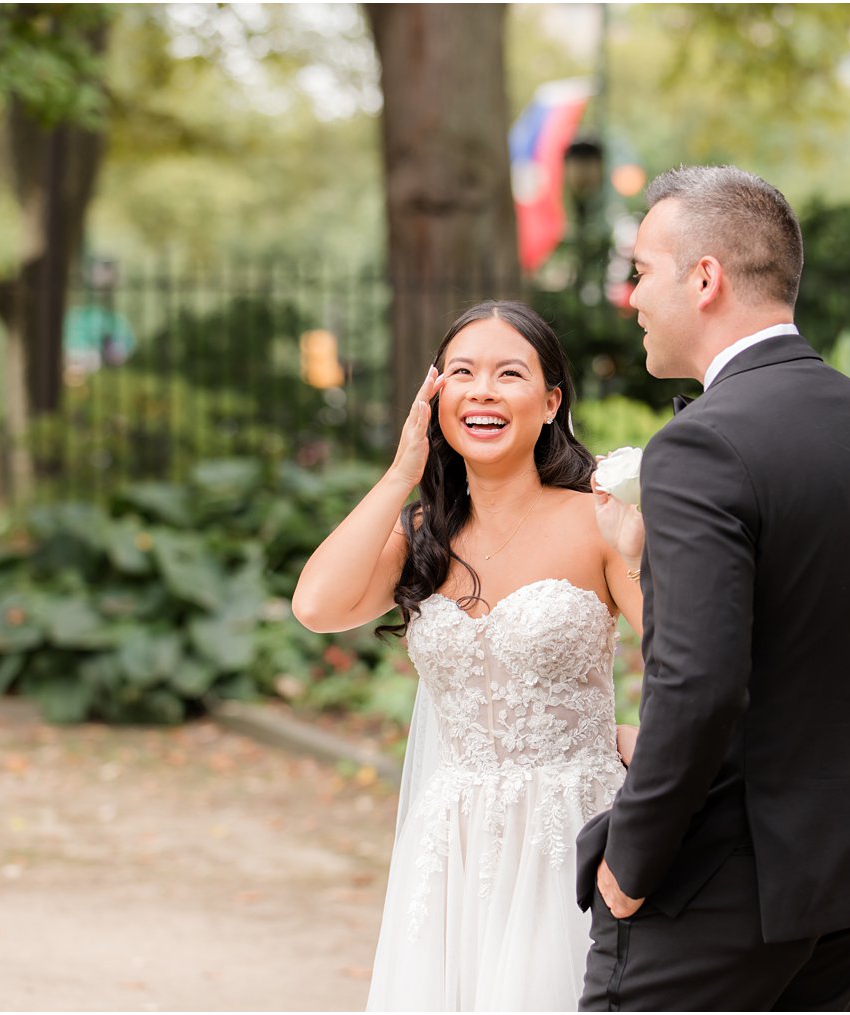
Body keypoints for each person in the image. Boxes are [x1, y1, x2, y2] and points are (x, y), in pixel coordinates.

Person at [577, 166, 850, 1011]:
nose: (630, 297)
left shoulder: (703, 444)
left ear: (704, 279)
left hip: (723, 883)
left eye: (641, 272)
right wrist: (644, 562)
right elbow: (803, 632)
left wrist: (629, 865)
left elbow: (699, 684)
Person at [292, 300, 643, 1011]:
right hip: (449, 844)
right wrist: (400, 474)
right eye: (462, 373)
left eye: (508, 373)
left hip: (567, 828)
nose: (482, 389)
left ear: (550, 402)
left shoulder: (597, 520)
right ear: (437, 398)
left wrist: (654, 739)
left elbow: (687, 655)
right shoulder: (422, 531)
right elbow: (317, 606)